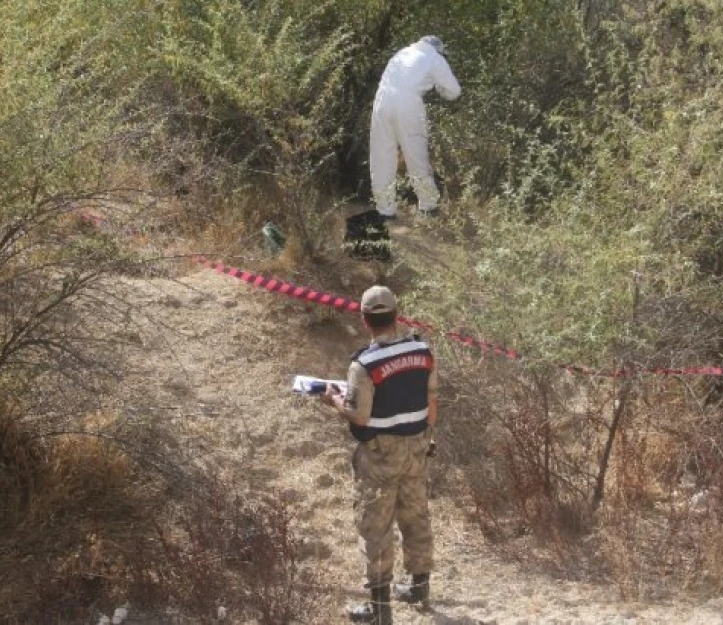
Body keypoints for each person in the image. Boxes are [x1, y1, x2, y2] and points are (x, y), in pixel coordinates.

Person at [321, 285, 438, 625]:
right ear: (396, 316)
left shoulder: (364, 364)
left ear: (365, 320)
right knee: (416, 516)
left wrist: (334, 400)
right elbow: (432, 400)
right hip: (417, 447)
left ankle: (380, 610)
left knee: (375, 527)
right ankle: (419, 587)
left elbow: (359, 416)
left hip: (379, 455)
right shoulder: (423, 350)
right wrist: (427, 436)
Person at [370, 35, 461, 221]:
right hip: (408, 104)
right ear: (438, 49)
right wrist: (439, 88)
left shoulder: (402, 53)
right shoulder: (435, 58)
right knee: (416, 154)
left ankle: (384, 210)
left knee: (381, 156)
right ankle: (428, 206)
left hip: (382, 101)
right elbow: (454, 91)